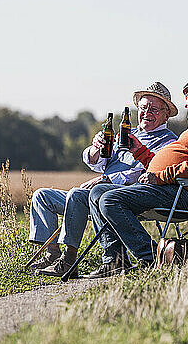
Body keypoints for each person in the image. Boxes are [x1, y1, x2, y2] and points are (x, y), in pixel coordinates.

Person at [87, 76, 188, 278]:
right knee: (97, 192)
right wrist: (140, 152)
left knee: (110, 198)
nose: (185, 103)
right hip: (169, 188)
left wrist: (159, 177)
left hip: (184, 193)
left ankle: (150, 258)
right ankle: (114, 260)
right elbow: (172, 162)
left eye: (187, 96)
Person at [30, 82, 179, 277]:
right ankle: (52, 255)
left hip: (124, 197)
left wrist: (106, 179)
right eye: (143, 108)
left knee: (77, 194)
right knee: (42, 196)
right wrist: (95, 148)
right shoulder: (126, 134)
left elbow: (146, 172)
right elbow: (96, 163)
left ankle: (68, 260)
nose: (147, 112)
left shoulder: (169, 141)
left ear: (166, 114)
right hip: (95, 193)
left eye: (154, 109)